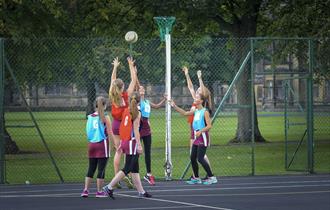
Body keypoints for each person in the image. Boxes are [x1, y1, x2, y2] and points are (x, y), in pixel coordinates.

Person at [103, 92, 152, 198]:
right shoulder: (137, 113)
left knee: (135, 168)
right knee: (127, 168)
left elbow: (123, 127)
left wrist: (121, 142)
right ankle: (109, 187)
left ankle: (141, 191)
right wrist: (139, 145)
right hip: (132, 142)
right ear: (139, 101)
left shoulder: (126, 110)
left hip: (125, 141)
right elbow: (136, 130)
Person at [170, 93, 217, 185]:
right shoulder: (196, 111)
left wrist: (201, 131)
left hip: (203, 136)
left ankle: (211, 177)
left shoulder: (205, 112)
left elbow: (209, 126)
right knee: (192, 157)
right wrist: (174, 106)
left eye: (197, 98)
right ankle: (196, 178)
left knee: (200, 158)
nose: (195, 99)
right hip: (197, 136)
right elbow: (184, 113)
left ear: (201, 101)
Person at [108, 57, 136, 189]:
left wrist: (115, 67)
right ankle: (127, 174)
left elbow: (113, 81)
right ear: (122, 86)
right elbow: (134, 81)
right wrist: (131, 66)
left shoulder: (112, 95)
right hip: (124, 125)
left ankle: (116, 178)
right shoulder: (126, 95)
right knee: (127, 150)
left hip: (115, 125)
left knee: (118, 150)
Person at [182, 67, 213, 178]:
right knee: (193, 154)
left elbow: (204, 92)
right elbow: (190, 87)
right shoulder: (196, 100)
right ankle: (196, 175)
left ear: (203, 96)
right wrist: (187, 74)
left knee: (201, 155)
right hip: (193, 130)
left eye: (199, 90)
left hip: (201, 131)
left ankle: (209, 174)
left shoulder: (203, 104)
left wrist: (200, 79)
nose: (197, 91)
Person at [81, 96, 113, 198]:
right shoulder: (105, 117)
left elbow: (88, 131)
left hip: (91, 144)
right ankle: (99, 191)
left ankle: (85, 190)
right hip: (102, 144)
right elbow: (110, 132)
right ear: (104, 105)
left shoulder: (90, 117)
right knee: (101, 170)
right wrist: (115, 145)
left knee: (91, 168)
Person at [138, 85, 166, 185]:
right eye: (140, 88)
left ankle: (148, 174)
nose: (142, 90)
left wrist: (164, 99)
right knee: (136, 153)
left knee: (148, 152)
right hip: (139, 127)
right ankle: (132, 174)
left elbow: (157, 106)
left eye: (143, 88)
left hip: (147, 128)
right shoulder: (137, 102)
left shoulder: (147, 102)